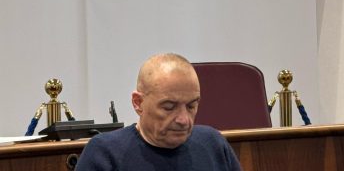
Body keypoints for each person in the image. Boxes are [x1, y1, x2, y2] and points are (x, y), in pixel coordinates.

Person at [75, 53, 242, 171]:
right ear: (138, 103)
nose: (184, 120)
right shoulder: (104, 154)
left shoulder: (213, 144)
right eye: (169, 107)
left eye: (191, 106)